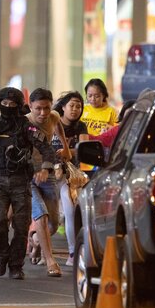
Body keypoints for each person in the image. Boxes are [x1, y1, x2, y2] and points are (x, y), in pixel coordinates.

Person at [0, 87, 57, 280]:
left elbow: (47, 149)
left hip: (21, 182)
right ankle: (2, 256)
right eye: (5, 104)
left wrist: (45, 169)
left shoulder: (26, 126)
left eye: (13, 104)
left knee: (21, 226)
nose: (8, 107)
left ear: (19, 106)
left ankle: (16, 265)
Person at [25, 88, 72, 277]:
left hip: (49, 173)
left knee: (53, 223)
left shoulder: (53, 116)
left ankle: (35, 239)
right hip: (28, 176)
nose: (43, 113)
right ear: (30, 106)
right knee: (41, 216)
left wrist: (66, 147)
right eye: (38, 109)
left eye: (46, 108)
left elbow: (58, 126)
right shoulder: (24, 123)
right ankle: (51, 261)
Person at [51, 91, 88, 266]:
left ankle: (73, 252)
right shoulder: (51, 122)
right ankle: (34, 242)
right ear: (63, 107)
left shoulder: (81, 127)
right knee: (48, 217)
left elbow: (84, 149)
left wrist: (68, 152)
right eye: (71, 105)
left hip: (70, 176)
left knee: (70, 211)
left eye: (78, 106)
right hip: (48, 173)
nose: (75, 109)